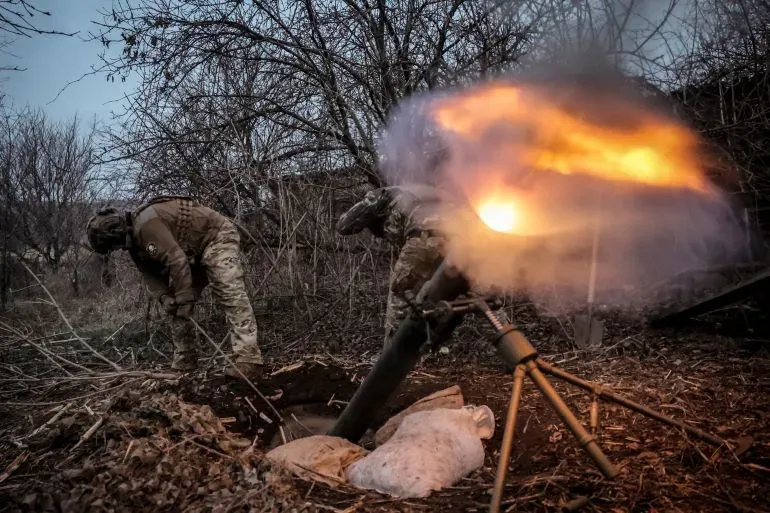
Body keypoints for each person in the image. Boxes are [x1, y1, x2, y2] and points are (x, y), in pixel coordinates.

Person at [86, 195, 264, 380]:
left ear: (115, 234)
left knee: (230, 291)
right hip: (191, 254)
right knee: (176, 307)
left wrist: (185, 298)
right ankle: (185, 361)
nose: (118, 249)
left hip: (216, 237)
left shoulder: (146, 227)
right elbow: (151, 275)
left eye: (113, 246)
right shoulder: (134, 245)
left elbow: (176, 261)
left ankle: (249, 360)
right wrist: (165, 297)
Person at [337, 185, 448, 348]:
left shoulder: (383, 194)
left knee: (400, 293)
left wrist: (366, 205)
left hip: (425, 239)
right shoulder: (429, 192)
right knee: (480, 299)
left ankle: (391, 362)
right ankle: (500, 337)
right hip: (461, 243)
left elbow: (344, 225)